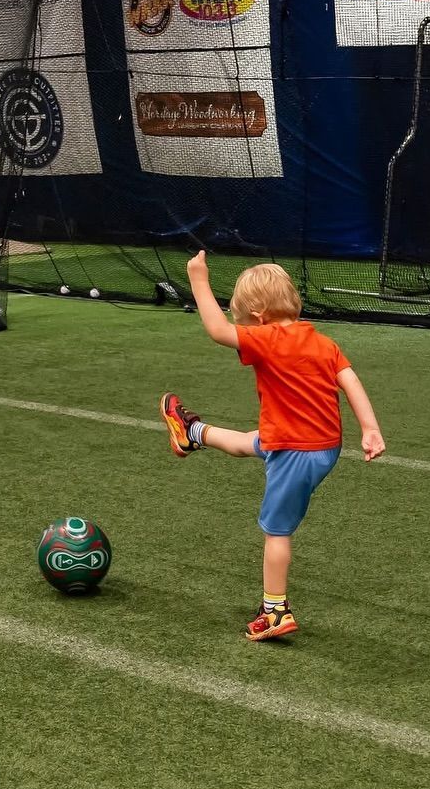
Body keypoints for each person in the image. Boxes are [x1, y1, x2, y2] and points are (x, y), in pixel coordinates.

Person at [160, 251, 385, 641]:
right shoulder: (322, 342)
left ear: (260, 316)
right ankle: (191, 433)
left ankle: (275, 610)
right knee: (252, 442)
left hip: (295, 452)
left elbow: (216, 330)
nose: (239, 328)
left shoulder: (268, 338)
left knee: (276, 532)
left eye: (241, 320)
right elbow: (349, 379)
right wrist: (370, 428)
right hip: (323, 445)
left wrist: (198, 280)